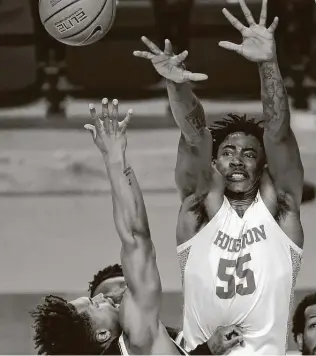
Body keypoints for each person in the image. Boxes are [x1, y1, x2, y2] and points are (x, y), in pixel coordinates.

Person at [133, 0, 304, 354]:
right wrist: (177, 88)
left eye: (249, 153)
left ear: (263, 167)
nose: (238, 160)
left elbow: (279, 133)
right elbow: (196, 139)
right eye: (227, 152)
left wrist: (268, 64)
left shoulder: (281, 207)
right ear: (214, 165)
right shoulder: (198, 209)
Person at [31, 99, 243, 355]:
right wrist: (114, 158)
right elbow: (135, 237)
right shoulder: (137, 338)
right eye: (95, 305)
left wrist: (207, 351)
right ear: (102, 334)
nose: (103, 298)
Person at [88, 264, 245, 355]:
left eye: (128, 297)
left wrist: (209, 349)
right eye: (111, 301)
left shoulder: (184, 340)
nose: (123, 306)